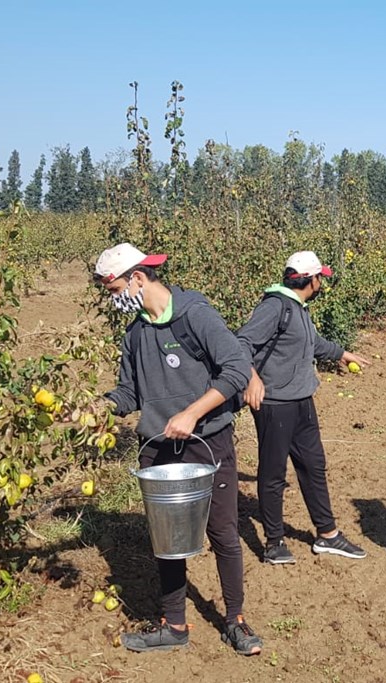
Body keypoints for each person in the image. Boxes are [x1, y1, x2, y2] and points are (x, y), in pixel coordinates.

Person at [93, 243, 262, 656]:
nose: (113, 298)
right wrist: (94, 408)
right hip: (157, 445)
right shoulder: (134, 333)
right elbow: (129, 393)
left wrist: (191, 413)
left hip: (208, 440)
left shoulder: (195, 315)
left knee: (222, 531)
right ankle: (174, 624)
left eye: (114, 289)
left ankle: (235, 619)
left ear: (137, 278)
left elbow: (236, 369)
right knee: (166, 538)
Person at [237, 250, 371, 565]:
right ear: (310, 280)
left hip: (301, 400)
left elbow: (311, 342)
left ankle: (327, 535)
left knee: (313, 465)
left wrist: (341, 353)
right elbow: (241, 342)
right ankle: (273, 541)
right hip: (274, 404)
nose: (323, 280)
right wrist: (252, 378)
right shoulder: (274, 307)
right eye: (320, 276)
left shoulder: (298, 308)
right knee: (272, 473)